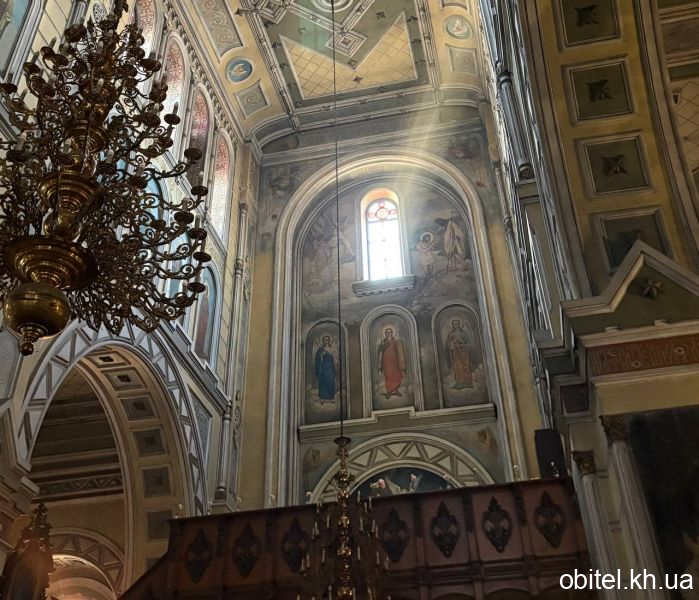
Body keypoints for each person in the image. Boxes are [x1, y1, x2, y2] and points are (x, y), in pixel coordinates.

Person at [378, 327, 406, 398]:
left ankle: (396, 390)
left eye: (390, 332)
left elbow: (399, 351)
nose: (389, 333)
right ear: (385, 333)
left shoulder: (395, 341)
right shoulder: (383, 342)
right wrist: (380, 363)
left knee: (397, 375)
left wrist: (401, 362)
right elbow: (380, 352)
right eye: (387, 332)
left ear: (392, 333)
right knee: (388, 376)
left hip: (394, 361)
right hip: (386, 362)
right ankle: (389, 391)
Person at [447, 319, 472, 389]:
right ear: (453, 325)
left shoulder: (463, 333)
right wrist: (452, 344)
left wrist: (462, 345)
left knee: (465, 366)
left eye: (457, 323)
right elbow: (449, 344)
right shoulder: (451, 334)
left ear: (459, 324)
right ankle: (459, 382)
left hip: (464, 352)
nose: (456, 325)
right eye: (454, 324)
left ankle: (468, 382)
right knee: (457, 367)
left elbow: (468, 343)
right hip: (456, 353)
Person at [315, 335, 338, 402]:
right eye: (325, 340)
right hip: (323, 368)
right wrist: (321, 356)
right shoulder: (320, 350)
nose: (326, 341)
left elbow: (335, 358)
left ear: (329, 340)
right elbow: (317, 359)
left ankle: (331, 398)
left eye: (327, 340)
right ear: (323, 341)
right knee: (323, 382)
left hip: (330, 368)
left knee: (330, 381)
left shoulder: (332, 349)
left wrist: (332, 355)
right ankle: (322, 398)